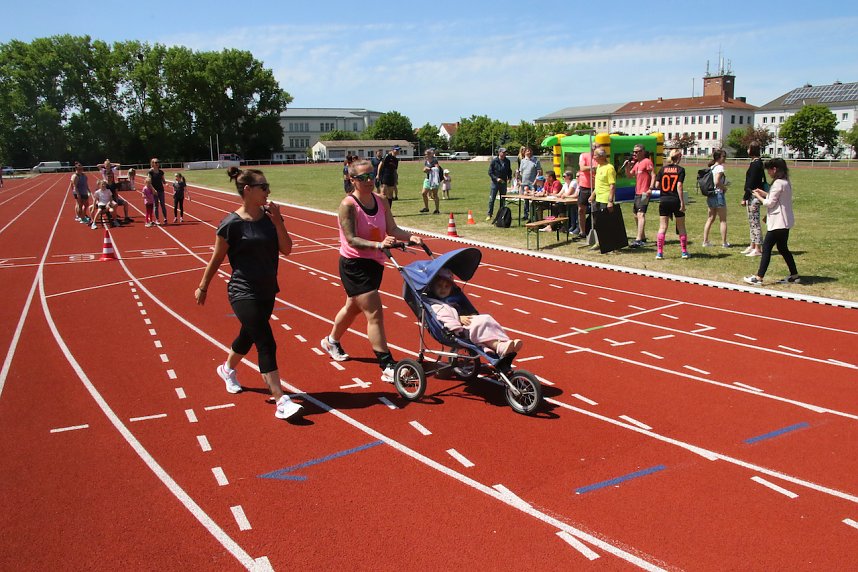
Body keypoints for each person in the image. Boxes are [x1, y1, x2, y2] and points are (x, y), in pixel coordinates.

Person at [195, 167, 302, 420]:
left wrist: (278, 221)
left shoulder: (269, 219)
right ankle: (281, 400)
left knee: (248, 336)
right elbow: (216, 258)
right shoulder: (231, 224)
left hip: (268, 290)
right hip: (242, 291)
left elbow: (287, 249)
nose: (268, 191)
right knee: (266, 341)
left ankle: (227, 368)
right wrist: (203, 286)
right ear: (248, 190)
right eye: (263, 187)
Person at [320, 159, 423, 382]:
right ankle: (387, 364)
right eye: (363, 178)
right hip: (354, 264)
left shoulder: (382, 201)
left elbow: (393, 229)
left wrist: (410, 237)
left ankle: (331, 341)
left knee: (353, 308)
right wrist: (379, 245)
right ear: (352, 179)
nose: (368, 181)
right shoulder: (348, 205)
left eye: (371, 177)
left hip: (376, 262)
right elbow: (351, 239)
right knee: (374, 312)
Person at [427, 269, 522, 357]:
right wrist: (459, 319)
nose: (443, 289)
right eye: (439, 286)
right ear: (432, 287)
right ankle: (499, 347)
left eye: (446, 286)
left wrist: (472, 315)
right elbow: (445, 318)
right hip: (460, 330)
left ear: (451, 288)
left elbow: (470, 310)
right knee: (482, 327)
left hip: (468, 321)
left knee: (487, 319)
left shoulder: (455, 296)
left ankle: (504, 342)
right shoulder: (436, 304)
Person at [743, 158, 799, 285]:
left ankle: (759, 277)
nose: (768, 172)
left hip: (778, 222)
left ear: (775, 169)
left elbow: (769, 203)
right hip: (784, 221)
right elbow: (776, 198)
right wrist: (764, 193)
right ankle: (794, 275)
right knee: (783, 248)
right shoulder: (785, 181)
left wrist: (758, 196)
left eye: (769, 169)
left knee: (767, 248)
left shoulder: (778, 183)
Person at [653, 150, 689, 260]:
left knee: (662, 227)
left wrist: (665, 190)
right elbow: (679, 186)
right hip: (675, 200)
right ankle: (684, 252)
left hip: (664, 200)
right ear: (678, 157)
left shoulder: (663, 169)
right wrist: (682, 202)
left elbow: (657, 184)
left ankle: (659, 252)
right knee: (681, 226)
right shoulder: (680, 170)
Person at [587, 148, 616, 250]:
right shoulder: (599, 167)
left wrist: (610, 201)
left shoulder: (609, 168)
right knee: (597, 222)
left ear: (602, 157)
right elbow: (598, 184)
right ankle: (600, 242)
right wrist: (593, 195)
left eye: (595, 155)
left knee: (606, 222)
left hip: (605, 199)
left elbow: (612, 186)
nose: (593, 157)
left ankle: (609, 243)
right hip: (597, 199)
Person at [702, 149, 731, 248]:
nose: (725, 158)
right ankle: (724, 242)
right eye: (723, 156)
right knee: (723, 220)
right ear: (718, 157)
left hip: (711, 194)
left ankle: (705, 241)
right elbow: (716, 182)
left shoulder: (712, 167)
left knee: (710, 218)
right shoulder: (719, 167)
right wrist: (724, 188)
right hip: (718, 194)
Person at [627, 144, 654, 247]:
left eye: (637, 151)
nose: (635, 154)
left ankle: (638, 239)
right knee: (635, 215)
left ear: (642, 152)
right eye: (634, 152)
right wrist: (628, 166)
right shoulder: (637, 163)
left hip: (644, 193)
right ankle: (642, 237)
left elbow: (653, 174)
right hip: (637, 192)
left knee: (641, 214)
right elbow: (630, 175)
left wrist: (650, 189)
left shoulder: (647, 162)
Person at [742, 144, 765, 257]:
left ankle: (758, 248)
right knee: (752, 222)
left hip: (754, 196)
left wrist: (745, 197)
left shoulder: (756, 164)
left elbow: (750, 182)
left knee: (755, 222)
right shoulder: (755, 163)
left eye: (748, 148)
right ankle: (752, 245)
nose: (747, 150)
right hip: (752, 195)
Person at [575, 142, 597, 239]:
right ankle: (582, 232)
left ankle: (595, 231)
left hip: (595, 187)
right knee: (581, 210)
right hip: (584, 186)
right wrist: (593, 168)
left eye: (596, 147)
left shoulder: (598, 158)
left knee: (596, 210)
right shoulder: (583, 155)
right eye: (593, 147)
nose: (594, 149)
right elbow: (582, 168)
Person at [486, 147, 512, 221]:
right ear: (499, 153)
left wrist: (509, 178)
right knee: (492, 199)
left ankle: (501, 214)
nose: (504, 154)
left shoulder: (507, 161)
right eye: (503, 152)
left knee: (503, 199)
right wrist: (496, 178)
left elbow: (509, 170)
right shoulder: (494, 161)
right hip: (495, 183)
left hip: (503, 183)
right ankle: (489, 214)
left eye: (505, 152)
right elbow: (490, 172)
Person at [517, 147, 541, 220]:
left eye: (530, 151)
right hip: (524, 183)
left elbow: (539, 172)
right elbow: (520, 172)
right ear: (524, 152)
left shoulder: (536, 161)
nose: (529, 152)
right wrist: (520, 181)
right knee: (525, 200)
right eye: (527, 151)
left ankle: (534, 215)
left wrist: (535, 181)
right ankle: (525, 215)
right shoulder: (523, 161)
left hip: (532, 183)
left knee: (534, 199)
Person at [419, 149, 441, 214]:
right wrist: (425, 170)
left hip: (434, 179)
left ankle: (437, 209)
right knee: (423, 193)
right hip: (428, 179)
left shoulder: (434, 160)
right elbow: (425, 169)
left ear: (431, 154)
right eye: (425, 154)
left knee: (435, 194)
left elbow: (437, 168)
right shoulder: (426, 161)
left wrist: (430, 169)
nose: (426, 155)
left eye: (427, 154)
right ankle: (426, 208)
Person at [148, 158, 168, 225]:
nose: (157, 164)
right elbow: (149, 182)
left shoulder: (161, 172)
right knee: (156, 205)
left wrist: (166, 183)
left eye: (158, 162)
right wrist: (153, 190)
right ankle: (157, 219)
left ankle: (165, 218)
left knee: (163, 204)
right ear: (153, 163)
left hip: (161, 190)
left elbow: (163, 181)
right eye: (156, 162)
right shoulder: (150, 172)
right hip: (154, 191)